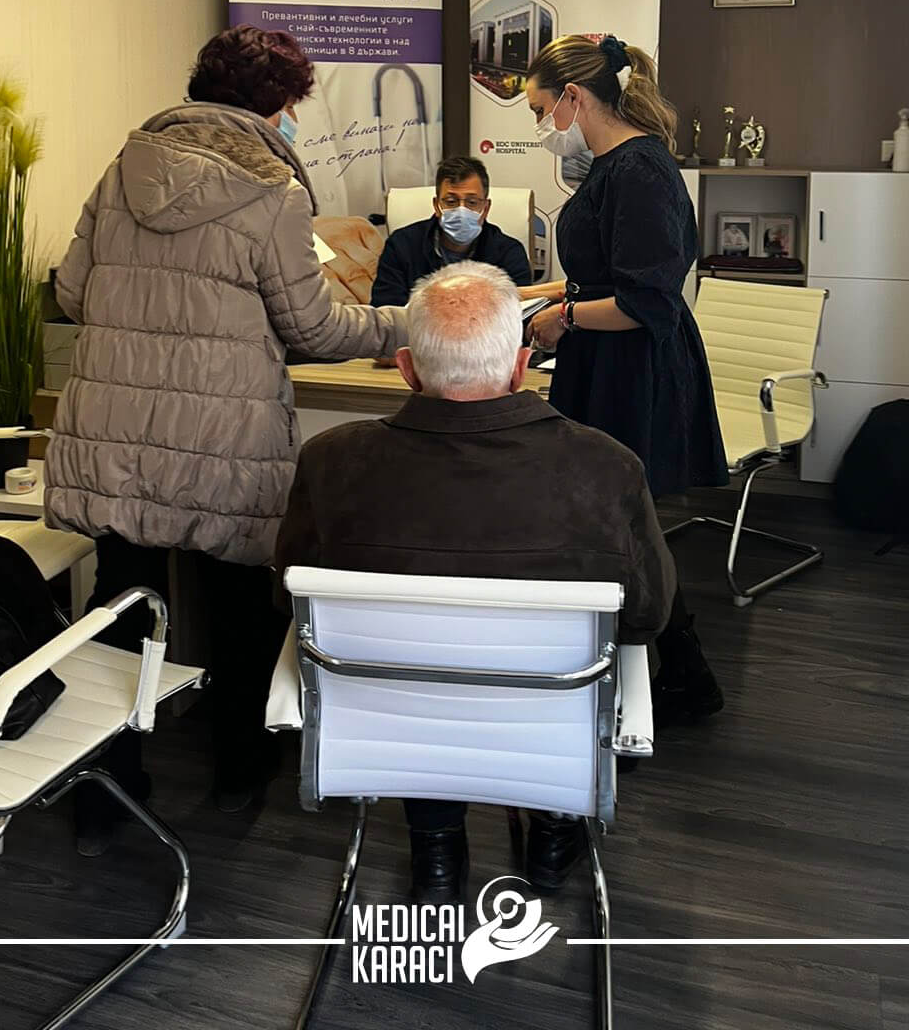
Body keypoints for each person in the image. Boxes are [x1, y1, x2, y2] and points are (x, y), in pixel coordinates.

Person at [44, 24, 407, 851]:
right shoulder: (272, 190)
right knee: (240, 603)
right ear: (275, 105)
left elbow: (71, 292)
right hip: (223, 436)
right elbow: (313, 328)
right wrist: (401, 324)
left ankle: (107, 788)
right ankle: (239, 771)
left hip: (116, 432)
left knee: (122, 603)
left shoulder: (125, 166)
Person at [275, 262, 676, 902]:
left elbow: (290, 595)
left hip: (390, 722)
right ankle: (554, 834)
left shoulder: (330, 461)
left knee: (420, 687)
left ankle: (436, 852)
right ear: (520, 367)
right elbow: (647, 615)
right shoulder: (606, 467)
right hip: (551, 726)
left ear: (407, 369)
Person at [523, 33, 728, 724]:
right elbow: (606, 271)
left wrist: (563, 318)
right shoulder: (614, 166)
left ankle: (670, 673)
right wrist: (543, 296)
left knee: (618, 521)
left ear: (574, 97)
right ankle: (665, 669)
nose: (543, 126)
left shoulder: (639, 170)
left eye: (542, 110)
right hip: (607, 359)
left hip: (633, 368)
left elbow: (645, 302)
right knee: (615, 521)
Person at [369, 155, 531, 307]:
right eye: (451, 201)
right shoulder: (402, 245)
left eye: (472, 202)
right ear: (436, 206)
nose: (461, 210)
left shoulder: (509, 253)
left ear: (486, 208)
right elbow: (386, 312)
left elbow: (519, 314)